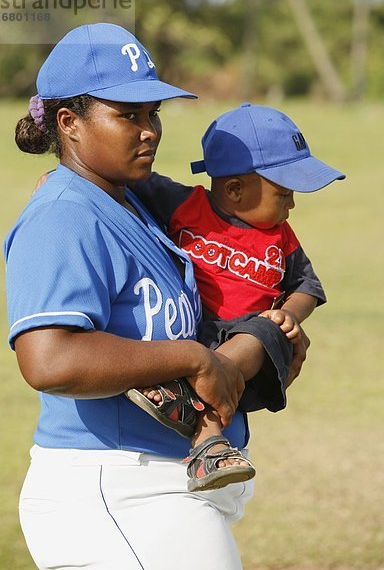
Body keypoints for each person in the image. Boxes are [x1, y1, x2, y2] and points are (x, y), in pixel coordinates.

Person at [4, 22, 305, 570]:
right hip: (115, 489)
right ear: (68, 123)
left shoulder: (132, 205)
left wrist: (264, 343)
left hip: (157, 482)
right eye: (128, 114)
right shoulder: (65, 215)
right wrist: (193, 357)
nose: (150, 131)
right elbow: (49, 359)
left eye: (153, 114)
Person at [128, 103, 345, 492]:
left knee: (259, 335)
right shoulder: (183, 205)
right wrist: (61, 178)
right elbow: (123, 180)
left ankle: (204, 436)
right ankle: (188, 407)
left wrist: (288, 317)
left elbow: (307, 286)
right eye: (284, 193)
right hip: (192, 329)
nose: (291, 206)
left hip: (248, 343)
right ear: (234, 190)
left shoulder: (281, 238)